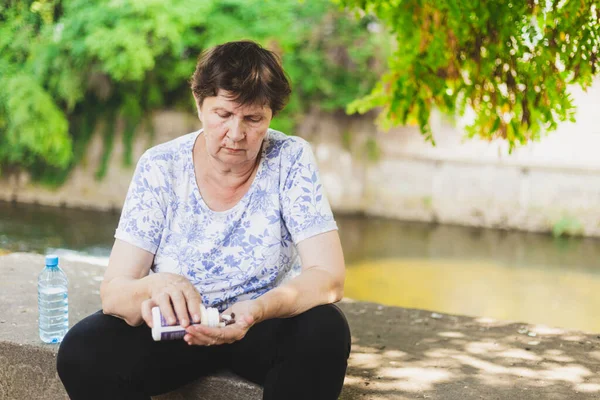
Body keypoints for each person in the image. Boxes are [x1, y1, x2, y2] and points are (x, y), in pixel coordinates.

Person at [56, 40, 351, 400]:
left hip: (259, 324)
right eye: (223, 114)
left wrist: (257, 310)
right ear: (199, 104)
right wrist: (155, 286)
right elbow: (115, 292)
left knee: (326, 330)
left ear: (271, 115)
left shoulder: (290, 159)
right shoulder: (161, 165)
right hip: (176, 329)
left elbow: (329, 277)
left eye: (253, 118)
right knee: (83, 351)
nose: (237, 133)